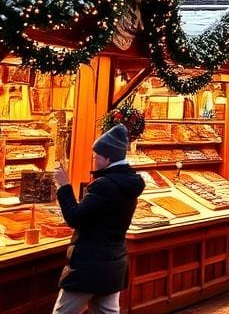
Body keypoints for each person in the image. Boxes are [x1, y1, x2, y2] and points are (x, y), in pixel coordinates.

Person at [51, 123, 145, 314]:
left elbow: (75, 218)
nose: (94, 160)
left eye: (96, 157)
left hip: (89, 267)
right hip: (113, 264)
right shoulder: (128, 183)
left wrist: (64, 187)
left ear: (107, 158)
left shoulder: (104, 185)